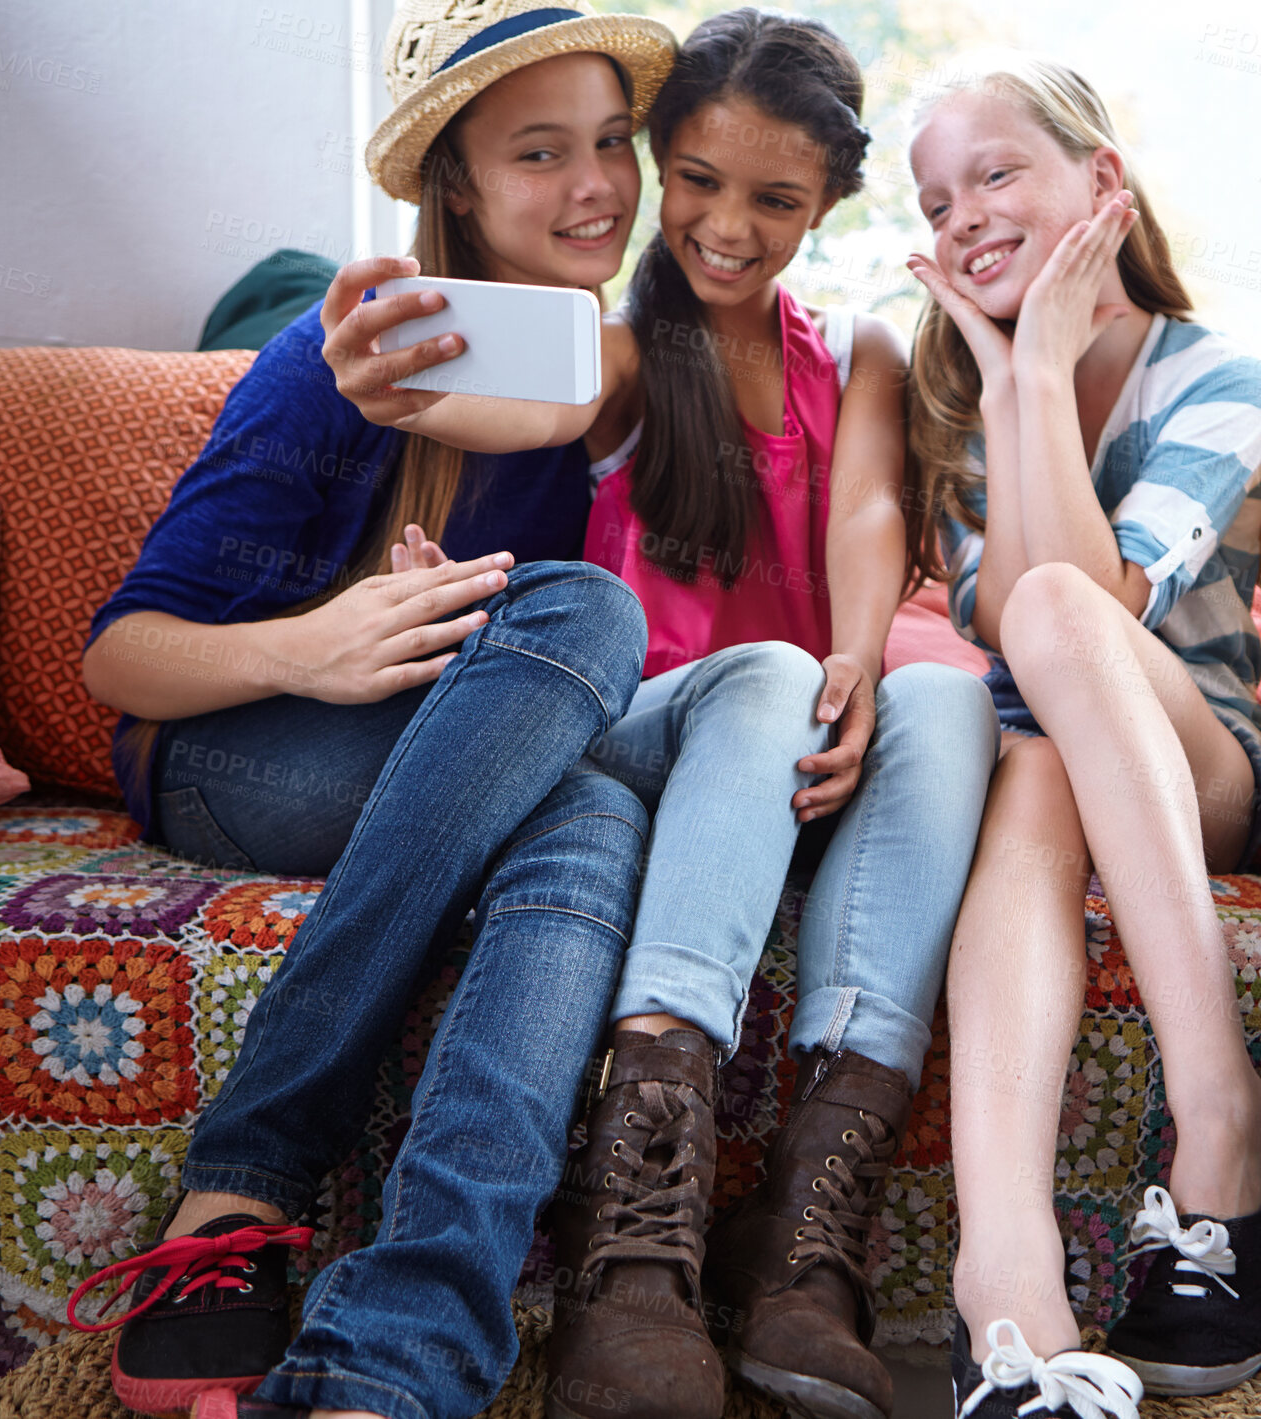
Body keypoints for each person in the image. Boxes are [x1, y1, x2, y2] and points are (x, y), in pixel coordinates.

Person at [329, 14, 998, 1419]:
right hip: (644, 744)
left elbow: (873, 504)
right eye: (695, 180)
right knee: (758, 678)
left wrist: (865, 660)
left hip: (797, 763)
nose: (727, 226)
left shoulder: (857, 349)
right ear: (657, 166)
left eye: (776, 199)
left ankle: (808, 1244)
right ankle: (633, 1258)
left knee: (948, 695)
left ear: (829, 202)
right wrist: (407, 374)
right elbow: (538, 395)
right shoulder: (630, 353)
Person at [66, 3, 677, 1418]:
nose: (597, 187)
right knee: (588, 616)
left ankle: (392, 1359)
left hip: (453, 753)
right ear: (454, 180)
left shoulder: (609, 367)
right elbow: (124, 660)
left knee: (585, 804)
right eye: (541, 153)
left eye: (612, 143)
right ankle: (247, 1166)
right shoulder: (332, 359)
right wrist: (315, 646)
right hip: (240, 750)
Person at [905, 50, 1261, 1419]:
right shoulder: (956, 402)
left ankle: (1219, 1114)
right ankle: (1011, 1304)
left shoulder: (1220, 376)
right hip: (1039, 783)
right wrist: (1015, 382)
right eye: (937, 205)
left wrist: (1035, 375)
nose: (966, 219)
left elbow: (1091, 600)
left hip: (1201, 761)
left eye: (997, 174)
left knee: (1062, 604)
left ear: (1101, 183)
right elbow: (1020, 641)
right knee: (1035, 758)